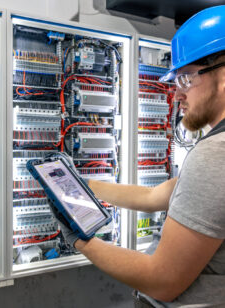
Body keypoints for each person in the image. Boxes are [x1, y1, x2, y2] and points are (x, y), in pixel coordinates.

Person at [51, 5, 225, 307]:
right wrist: (81, 187)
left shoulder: (215, 155)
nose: (176, 94)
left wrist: (80, 239)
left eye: (185, 79)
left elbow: (162, 281)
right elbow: (153, 195)